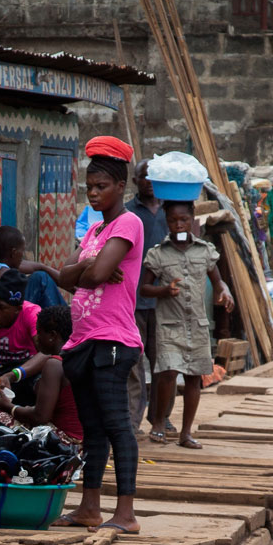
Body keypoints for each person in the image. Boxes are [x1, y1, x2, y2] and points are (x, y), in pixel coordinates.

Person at [53, 136, 145, 534]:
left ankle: (125, 514)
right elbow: (64, 275)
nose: (93, 193)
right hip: (82, 341)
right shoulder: (95, 231)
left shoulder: (129, 223)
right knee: (91, 429)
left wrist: (90, 269)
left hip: (113, 340)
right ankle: (90, 507)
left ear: (120, 187)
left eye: (101, 187)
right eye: (89, 187)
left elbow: (89, 276)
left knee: (116, 426)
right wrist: (92, 264)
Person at [138, 200, 234, 448]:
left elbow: (219, 280)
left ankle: (186, 433)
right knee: (168, 372)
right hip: (169, 325)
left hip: (197, 325)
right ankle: (159, 422)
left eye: (183, 219)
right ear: (166, 221)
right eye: (173, 220)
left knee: (194, 378)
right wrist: (163, 291)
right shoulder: (158, 253)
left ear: (193, 219)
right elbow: (144, 288)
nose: (178, 224)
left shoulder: (205, 250)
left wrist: (226, 293)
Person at [124, 161, 170, 437]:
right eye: (144, 176)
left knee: (163, 361)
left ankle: (161, 418)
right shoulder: (128, 213)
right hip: (134, 300)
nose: (150, 181)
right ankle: (132, 420)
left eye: (155, 176)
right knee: (134, 363)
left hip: (166, 301)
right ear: (134, 180)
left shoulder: (172, 210)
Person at [0, 306, 82, 441]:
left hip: (67, 441)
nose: (37, 339)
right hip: (86, 440)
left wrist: (8, 406)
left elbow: (40, 417)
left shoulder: (54, 364)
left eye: (39, 333)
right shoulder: (78, 355)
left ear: (52, 335)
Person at [0, 226, 67, 309]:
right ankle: (66, 322)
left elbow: (35, 267)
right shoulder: (5, 274)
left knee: (40, 276)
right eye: (22, 250)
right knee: (41, 279)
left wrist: (43, 267)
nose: (23, 255)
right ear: (13, 253)